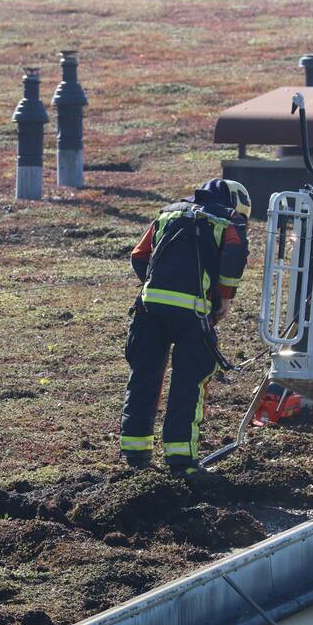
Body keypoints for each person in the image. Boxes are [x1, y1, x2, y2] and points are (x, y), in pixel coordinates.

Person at [119, 179, 250, 476]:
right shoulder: (229, 221)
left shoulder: (168, 213)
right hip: (192, 313)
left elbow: (139, 256)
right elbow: (234, 255)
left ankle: (135, 455)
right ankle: (181, 460)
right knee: (188, 382)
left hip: (149, 307)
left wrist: (157, 282)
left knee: (144, 377)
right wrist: (224, 299)